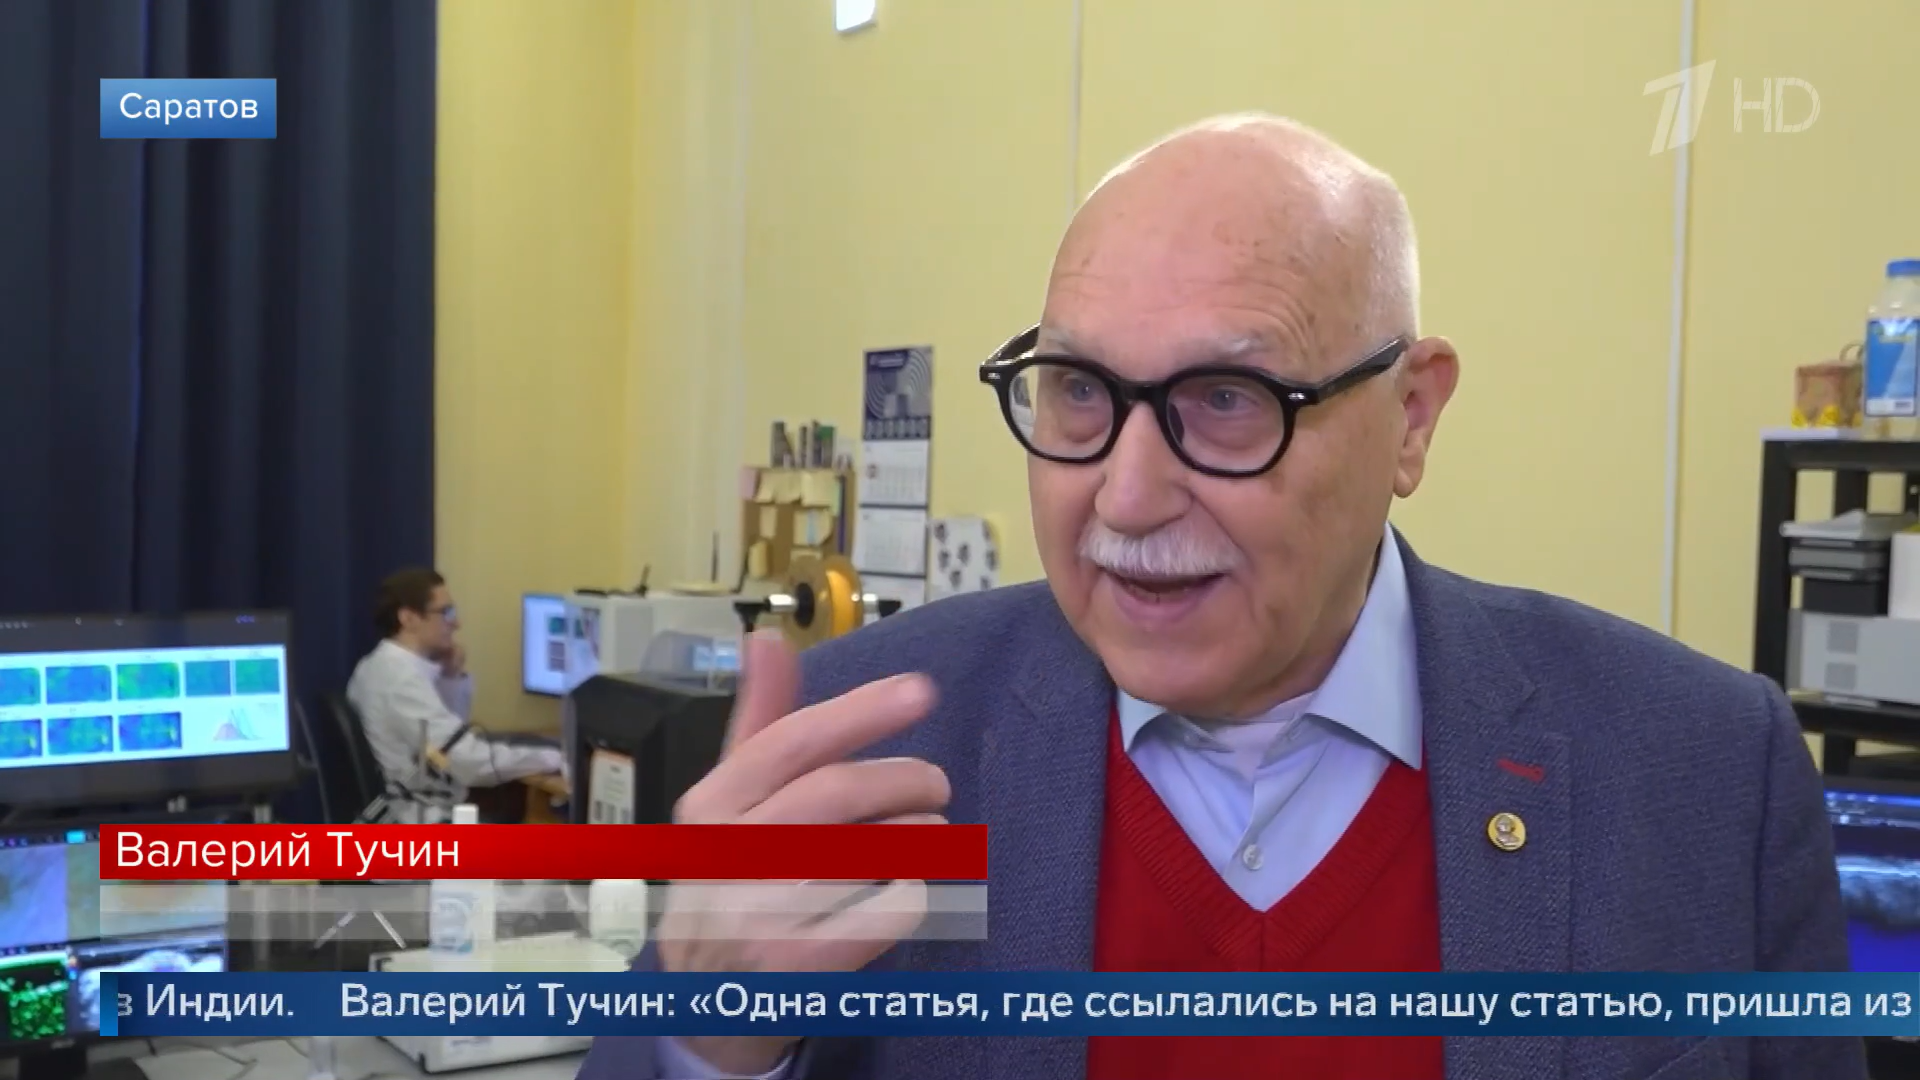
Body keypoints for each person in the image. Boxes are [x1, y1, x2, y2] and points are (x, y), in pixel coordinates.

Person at [578, 114, 1863, 1079]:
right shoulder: (866, 750)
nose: (1127, 496)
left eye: (1228, 401)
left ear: (1411, 417)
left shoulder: (1701, 772)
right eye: (1079, 391)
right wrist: (707, 1043)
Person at [345, 567, 564, 823]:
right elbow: (469, 763)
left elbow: (447, 744)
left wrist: (451, 676)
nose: (456, 623)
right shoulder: (399, 680)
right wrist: (556, 758)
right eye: (446, 612)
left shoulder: (380, 666)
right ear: (408, 618)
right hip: (421, 820)